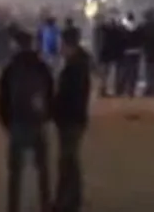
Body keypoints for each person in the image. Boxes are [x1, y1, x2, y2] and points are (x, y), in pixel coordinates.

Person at [0, 31, 56, 212]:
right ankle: (45, 203)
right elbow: (51, 94)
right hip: (37, 121)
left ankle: (13, 206)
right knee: (42, 168)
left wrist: (7, 122)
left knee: (15, 171)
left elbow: (3, 100)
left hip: (17, 123)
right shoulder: (42, 67)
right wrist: (46, 116)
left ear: (16, 45)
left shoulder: (10, 69)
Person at [53, 27, 91, 212]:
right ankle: (71, 200)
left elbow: (69, 96)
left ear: (69, 45)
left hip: (70, 120)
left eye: (62, 44)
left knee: (67, 162)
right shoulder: (79, 64)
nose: (60, 48)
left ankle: (67, 202)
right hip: (75, 119)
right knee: (70, 161)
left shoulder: (74, 68)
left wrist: (55, 109)